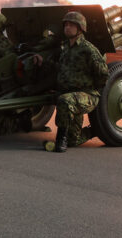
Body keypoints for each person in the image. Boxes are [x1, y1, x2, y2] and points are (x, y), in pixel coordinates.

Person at [40, 11, 110, 153]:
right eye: (66, 24)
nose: (67, 27)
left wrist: (92, 89)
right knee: (74, 140)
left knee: (65, 101)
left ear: (80, 28)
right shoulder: (65, 48)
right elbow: (61, 68)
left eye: (71, 25)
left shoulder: (88, 49)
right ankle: (94, 131)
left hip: (86, 94)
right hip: (71, 95)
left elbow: (103, 73)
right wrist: (42, 62)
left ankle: (60, 141)